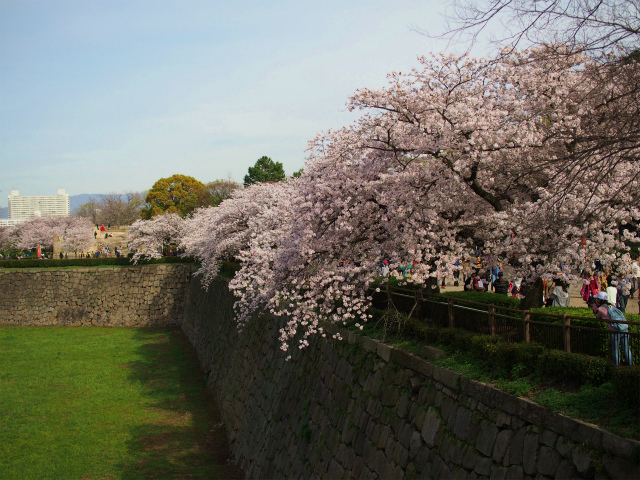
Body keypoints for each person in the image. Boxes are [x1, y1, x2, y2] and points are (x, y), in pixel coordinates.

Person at [592, 292, 632, 366]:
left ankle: (616, 367)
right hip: (624, 328)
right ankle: (631, 366)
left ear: (600, 299)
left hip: (615, 331)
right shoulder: (612, 305)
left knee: (616, 350)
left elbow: (597, 317)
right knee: (626, 349)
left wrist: (594, 307)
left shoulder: (601, 309)